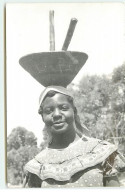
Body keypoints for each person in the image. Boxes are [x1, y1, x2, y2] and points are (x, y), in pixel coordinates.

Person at [22, 86, 125, 188]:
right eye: (49, 111)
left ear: (74, 111)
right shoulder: (36, 167)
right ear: (42, 117)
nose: (57, 114)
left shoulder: (102, 151)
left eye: (63, 108)